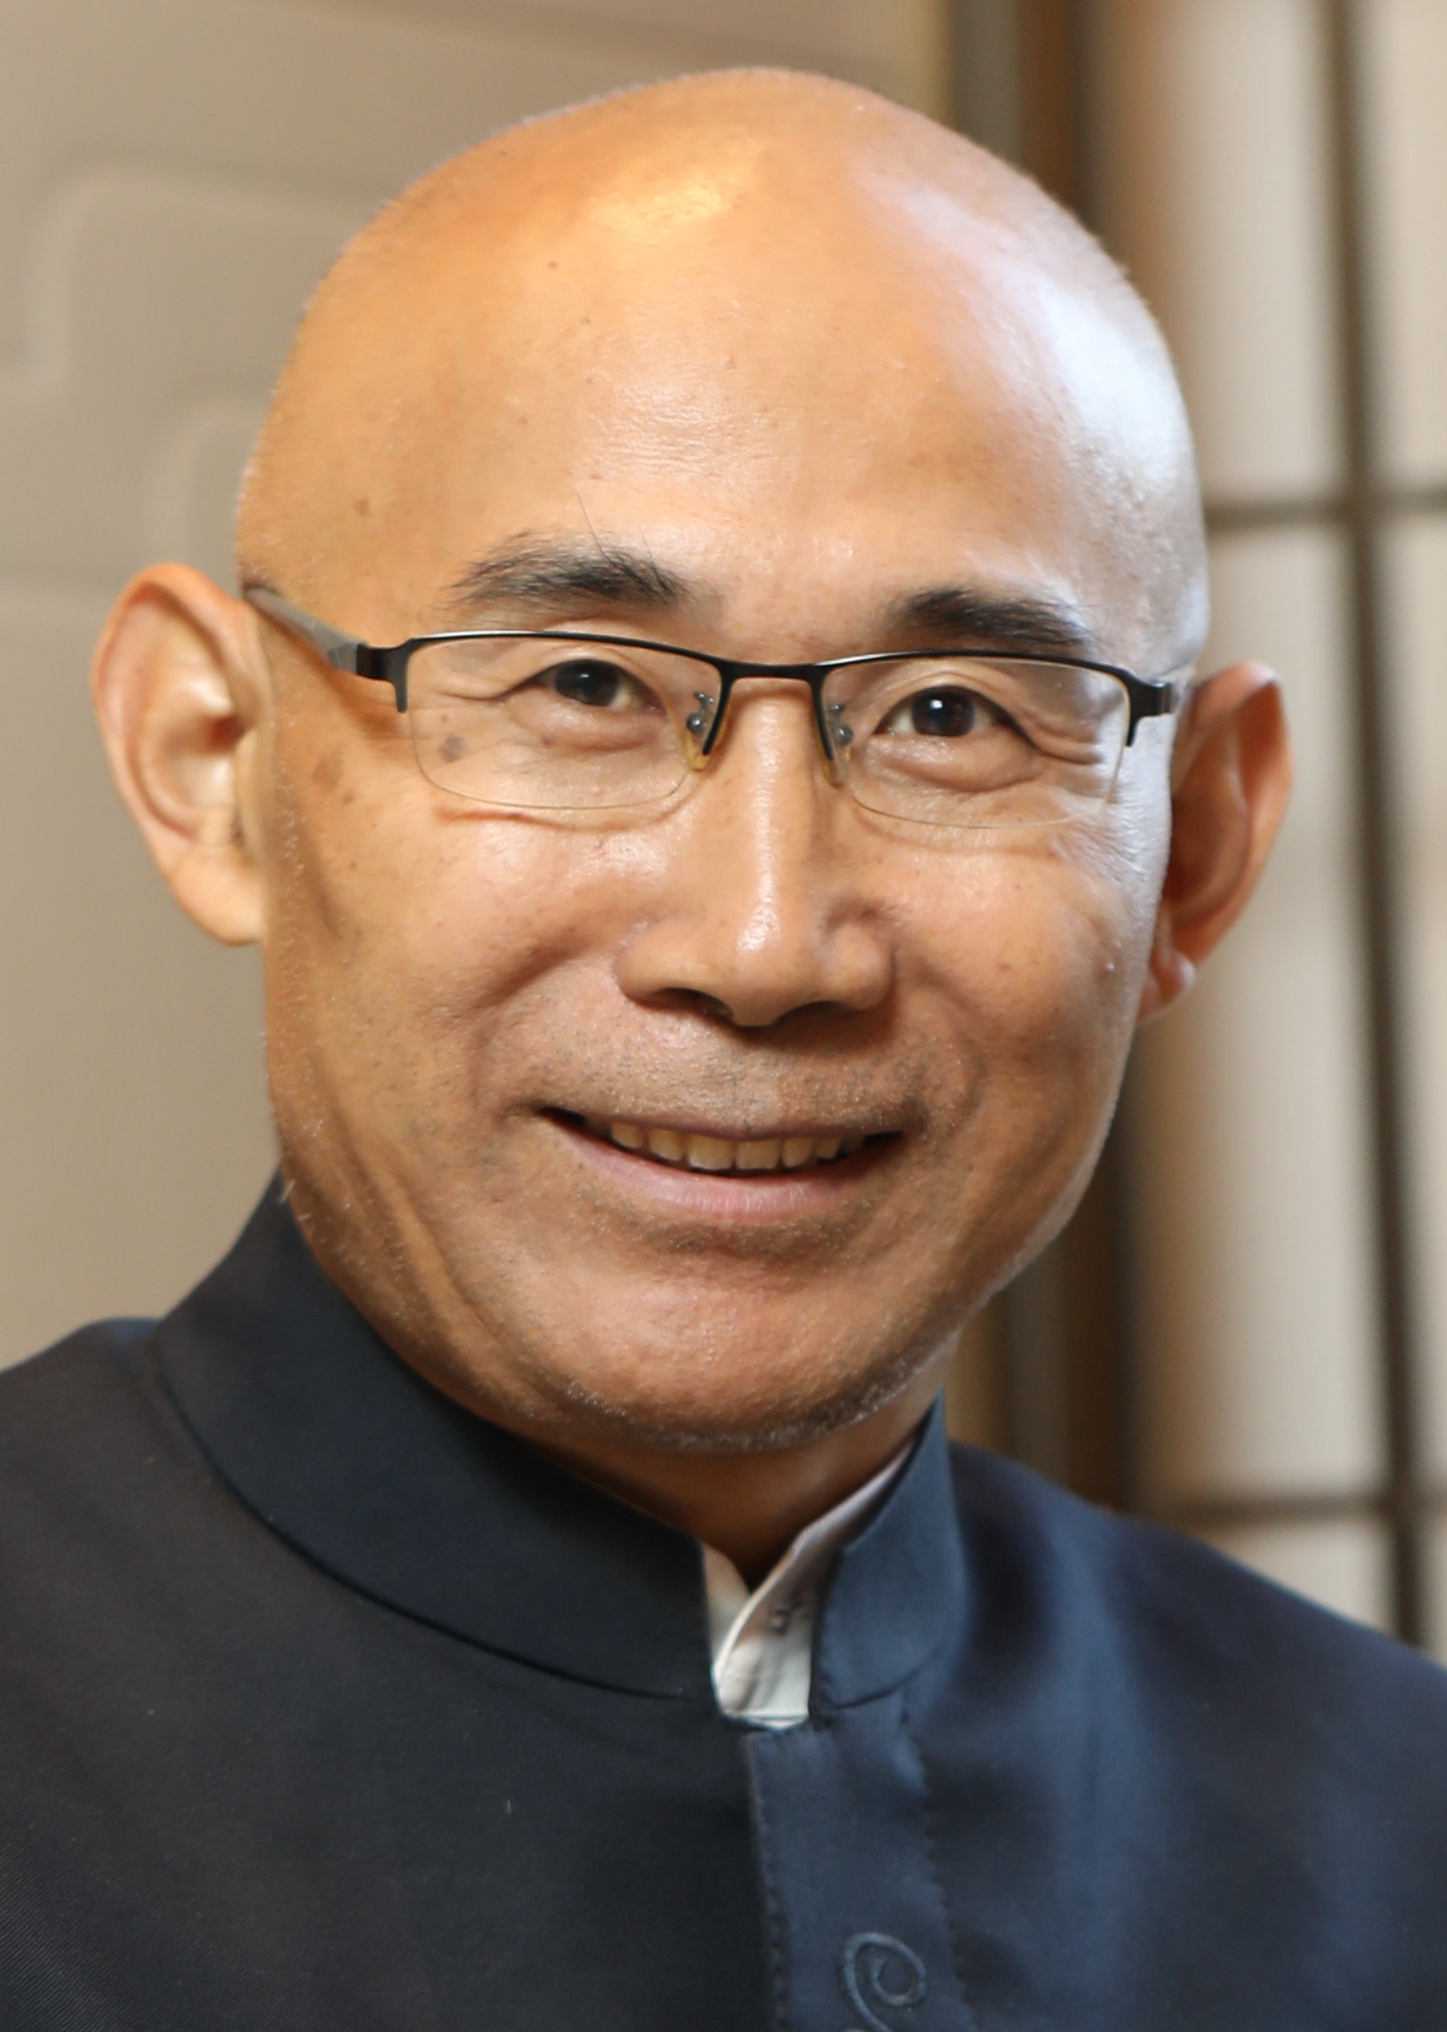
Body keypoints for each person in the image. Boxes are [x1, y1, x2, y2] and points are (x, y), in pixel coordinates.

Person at [2, 66, 1443, 2030]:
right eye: (586, 683)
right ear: (214, 764)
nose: (763, 943)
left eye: (949, 714)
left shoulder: (1397, 1833)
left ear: (1192, 847)